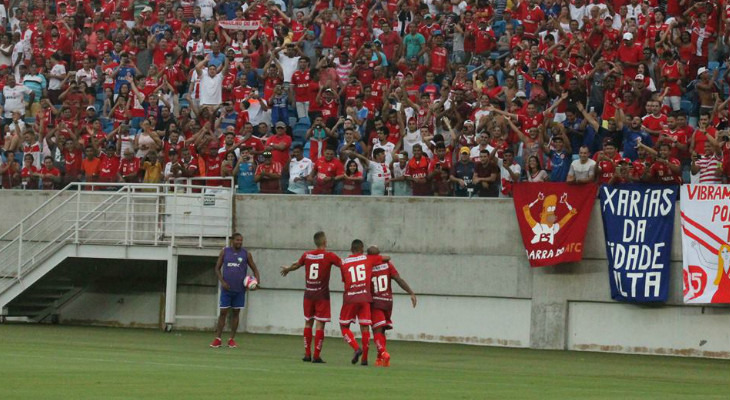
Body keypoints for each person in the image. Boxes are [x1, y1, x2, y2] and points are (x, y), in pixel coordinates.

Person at [280, 231, 342, 363]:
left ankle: (307, 354)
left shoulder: (307, 255)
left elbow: (297, 264)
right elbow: (343, 264)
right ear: (325, 242)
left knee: (308, 322)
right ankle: (316, 355)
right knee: (320, 324)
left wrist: (287, 269)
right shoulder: (329, 255)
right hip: (322, 295)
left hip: (308, 294)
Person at [366, 246, 416, 368]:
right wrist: (411, 292)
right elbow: (398, 279)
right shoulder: (387, 264)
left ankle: (383, 353)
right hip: (388, 302)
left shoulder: (367, 265)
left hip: (376, 302)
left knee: (376, 330)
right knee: (382, 330)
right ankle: (379, 359)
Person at [339, 239, 385, 366]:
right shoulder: (368, 259)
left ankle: (356, 348)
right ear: (362, 249)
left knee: (344, 326)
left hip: (350, 298)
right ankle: (364, 359)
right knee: (365, 327)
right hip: (365, 297)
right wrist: (375, 253)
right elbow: (386, 258)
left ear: (351, 249)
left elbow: (345, 280)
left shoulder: (344, 262)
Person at [211, 233, 261, 349]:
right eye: (237, 240)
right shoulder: (225, 252)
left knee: (236, 313)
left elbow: (255, 269)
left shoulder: (246, 254)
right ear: (232, 240)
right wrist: (222, 282)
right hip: (226, 289)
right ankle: (218, 339)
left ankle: (231, 339)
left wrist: (256, 283)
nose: (239, 242)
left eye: (241, 240)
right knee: (223, 313)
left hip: (240, 290)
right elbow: (217, 269)